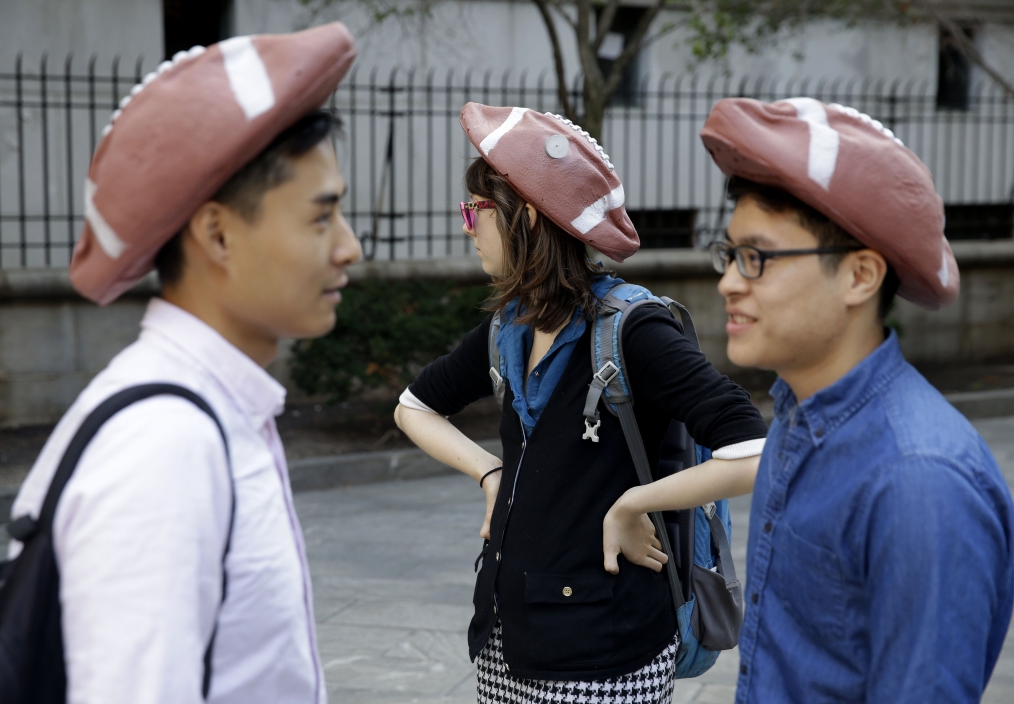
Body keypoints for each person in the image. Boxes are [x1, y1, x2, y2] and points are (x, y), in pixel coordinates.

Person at [606, 97, 1014, 703]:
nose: (728, 282)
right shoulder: (798, 421)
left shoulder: (919, 479)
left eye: (758, 258)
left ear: (860, 276)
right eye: (730, 254)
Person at [8, 24, 360, 703]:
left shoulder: (214, 412)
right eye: (322, 219)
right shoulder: (166, 445)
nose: (349, 247)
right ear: (218, 234)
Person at [393, 103, 767, 703]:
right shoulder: (508, 325)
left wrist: (633, 503)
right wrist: (491, 473)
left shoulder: (634, 330)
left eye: (475, 211)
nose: (466, 226)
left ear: (529, 218)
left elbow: (753, 450)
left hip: (606, 651)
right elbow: (413, 406)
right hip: (504, 637)